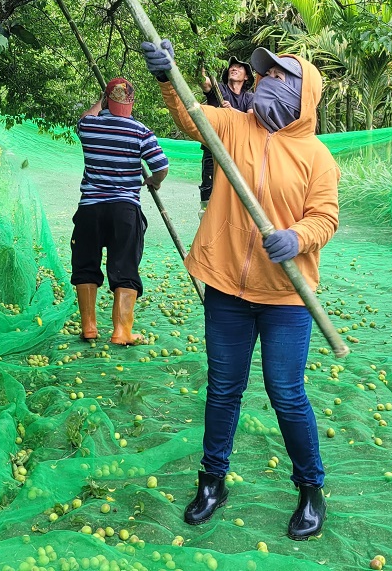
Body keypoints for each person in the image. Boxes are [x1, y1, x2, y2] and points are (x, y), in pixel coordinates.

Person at [141, 40, 339, 541]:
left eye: (277, 77)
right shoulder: (233, 126)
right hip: (229, 287)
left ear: (302, 94)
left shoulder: (317, 157)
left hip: (286, 297)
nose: (264, 82)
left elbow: (326, 218)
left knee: (286, 392)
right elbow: (191, 116)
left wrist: (297, 237)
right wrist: (168, 77)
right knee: (224, 389)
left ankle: (311, 489)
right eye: (262, 76)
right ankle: (212, 481)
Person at [72, 77, 170, 345]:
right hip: (124, 210)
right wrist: (153, 181)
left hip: (90, 209)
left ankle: (89, 328)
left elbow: (85, 117)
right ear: (131, 103)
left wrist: (98, 102)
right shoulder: (140, 131)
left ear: (106, 101)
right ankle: (121, 332)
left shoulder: (89, 126)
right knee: (124, 266)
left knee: (85, 264)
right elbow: (161, 166)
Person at [198, 56, 255, 209]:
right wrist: (201, 58)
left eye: (239, 67)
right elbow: (203, 80)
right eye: (232, 66)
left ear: (246, 76)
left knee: (236, 193)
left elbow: (250, 119)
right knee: (208, 191)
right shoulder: (219, 90)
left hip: (237, 152)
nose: (234, 68)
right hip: (213, 148)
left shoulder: (249, 98)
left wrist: (231, 111)